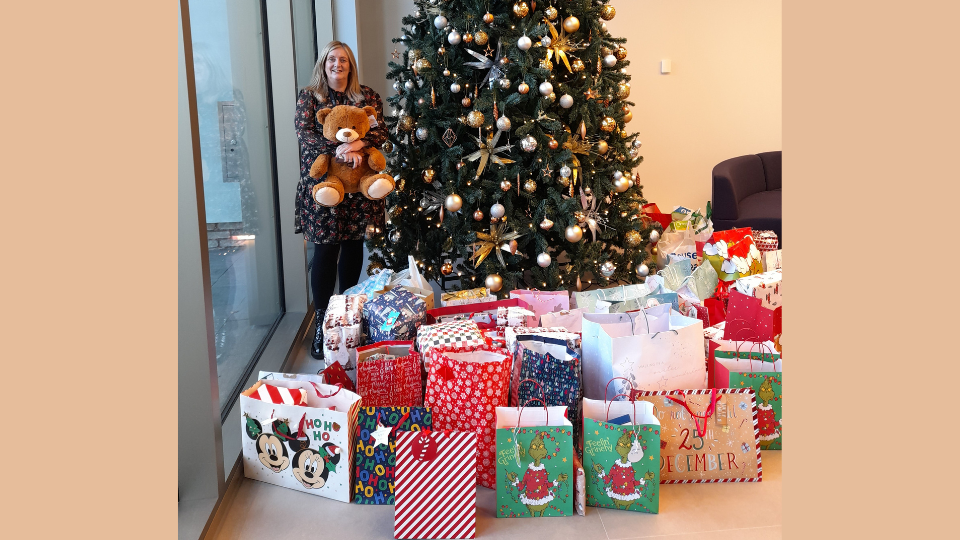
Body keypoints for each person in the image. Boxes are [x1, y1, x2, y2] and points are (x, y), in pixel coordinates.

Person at [295, 41, 387, 359]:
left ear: (351, 65)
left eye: (344, 60)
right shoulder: (310, 96)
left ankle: (346, 319)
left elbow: (381, 130)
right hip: (325, 187)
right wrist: (335, 146)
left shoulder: (367, 96)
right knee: (325, 251)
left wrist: (359, 142)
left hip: (357, 189)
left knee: (352, 247)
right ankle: (323, 324)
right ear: (324, 63)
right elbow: (303, 131)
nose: (338, 64)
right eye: (332, 59)